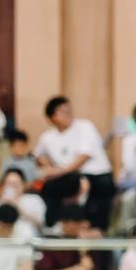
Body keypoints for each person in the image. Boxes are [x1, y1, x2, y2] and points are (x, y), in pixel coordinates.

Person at [34, 96, 116, 229]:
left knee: (98, 193)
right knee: (46, 187)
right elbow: (38, 155)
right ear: (52, 117)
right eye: (62, 112)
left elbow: (84, 157)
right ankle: (52, 226)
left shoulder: (84, 126)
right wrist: (48, 166)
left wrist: (58, 171)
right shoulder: (47, 137)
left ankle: (97, 231)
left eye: (69, 110)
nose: (68, 114)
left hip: (95, 175)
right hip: (70, 178)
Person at [0, 167, 47, 233]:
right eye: (8, 184)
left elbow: (41, 223)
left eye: (15, 184)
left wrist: (17, 207)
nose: (11, 188)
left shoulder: (34, 199)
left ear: (23, 185)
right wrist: (2, 208)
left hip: (27, 237)